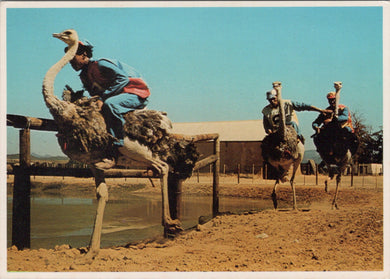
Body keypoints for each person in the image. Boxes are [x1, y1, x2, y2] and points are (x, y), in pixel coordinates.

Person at [65, 40, 150, 168]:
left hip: (134, 93)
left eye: (72, 58)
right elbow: (95, 94)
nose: (70, 62)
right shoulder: (84, 76)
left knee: (110, 105)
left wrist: (103, 98)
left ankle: (115, 150)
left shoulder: (101, 64)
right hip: (118, 96)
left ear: (83, 54)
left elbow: (123, 79)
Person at [312, 83, 358, 155]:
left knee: (350, 136)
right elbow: (316, 122)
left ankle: (350, 152)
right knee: (317, 137)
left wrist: (333, 119)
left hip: (343, 128)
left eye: (333, 99)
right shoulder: (326, 111)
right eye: (330, 100)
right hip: (329, 130)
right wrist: (316, 126)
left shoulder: (343, 108)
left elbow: (345, 117)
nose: (332, 101)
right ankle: (323, 152)